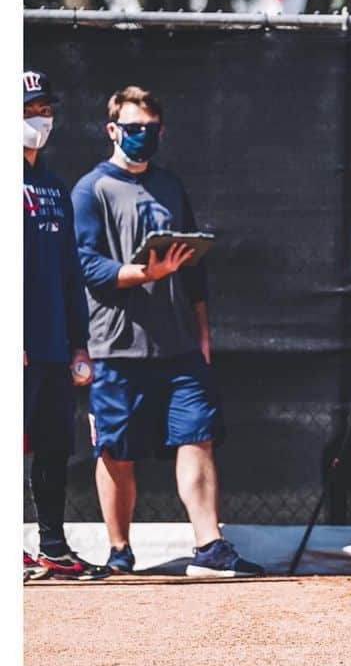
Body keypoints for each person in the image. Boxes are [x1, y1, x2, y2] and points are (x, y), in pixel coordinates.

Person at [71, 85, 263, 577]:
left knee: (197, 435)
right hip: (116, 346)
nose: (142, 137)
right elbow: (87, 265)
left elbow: (194, 266)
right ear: (113, 130)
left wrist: (201, 328)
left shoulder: (171, 186)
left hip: (178, 344)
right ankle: (119, 551)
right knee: (116, 449)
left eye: (151, 130)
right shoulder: (90, 190)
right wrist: (144, 275)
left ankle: (210, 546)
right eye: (133, 129)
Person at [23, 69, 110, 581]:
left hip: (54, 344)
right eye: (30, 110)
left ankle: (52, 547)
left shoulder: (53, 185)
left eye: (45, 109)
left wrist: (79, 341)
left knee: (55, 443)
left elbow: (70, 271)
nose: (40, 119)